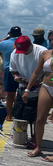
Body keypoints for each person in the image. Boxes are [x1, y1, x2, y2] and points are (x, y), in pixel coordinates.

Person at [10, 35, 47, 145]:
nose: (23, 53)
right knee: (20, 112)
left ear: (31, 44)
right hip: (24, 86)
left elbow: (48, 72)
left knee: (36, 115)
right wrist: (17, 78)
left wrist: (40, 80)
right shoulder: (15, 53)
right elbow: (13, 71)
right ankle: (21, 135)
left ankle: (35, 138)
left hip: (40, 87)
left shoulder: (42, 52)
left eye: (26, 50)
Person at [25, 30, 53, 159]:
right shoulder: (45, 54)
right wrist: (27, 89)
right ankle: (38, 147)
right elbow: (36, 72)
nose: (52, 42)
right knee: (40, 119)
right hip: (46, 87)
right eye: (51, 39)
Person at [0, 26, 22, 121]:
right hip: (23, 70)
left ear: (10, 34)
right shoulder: (24, 43)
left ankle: (9, 115)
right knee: (22, 93)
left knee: (10, 94)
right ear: (20, 34)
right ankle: (20, 114)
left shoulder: (4, 43)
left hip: (10, 70)